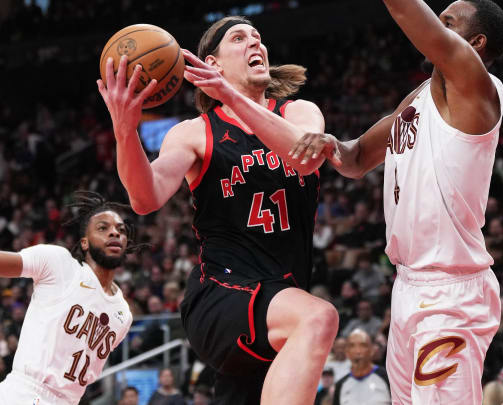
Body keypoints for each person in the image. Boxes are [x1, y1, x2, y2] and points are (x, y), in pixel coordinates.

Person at [97, 15, 339, 405]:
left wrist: (232, 96)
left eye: (258, 38)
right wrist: (125, 131)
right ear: (213, 65)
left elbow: (304, 158)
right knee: (320, 317)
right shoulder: (195, 132)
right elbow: (145, 198)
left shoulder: (299, 112)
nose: (255, 43)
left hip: (282, 305)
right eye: (239, 38)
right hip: (223, 294)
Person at [289, 1, 503, 403]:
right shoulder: (422, 96)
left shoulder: (478, 86)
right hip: (407, 287)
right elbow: (355, 159)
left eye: (448, 23)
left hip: (450, 293)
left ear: (475, 43)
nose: (437, 27)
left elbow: (409, 13)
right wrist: (331, 145)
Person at [0, 191, 136, 404]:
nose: (114, 233)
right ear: (84, 242)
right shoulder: (59, 264)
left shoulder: (123, 314)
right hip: (24, 393)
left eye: (121, 230)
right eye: (103, 228)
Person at [333, 329, 391, 405]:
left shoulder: (387, 377)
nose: (358, 351)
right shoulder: (340, 385)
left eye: (363, 345)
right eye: (352, 346)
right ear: (347, 352)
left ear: (372, 350)